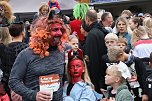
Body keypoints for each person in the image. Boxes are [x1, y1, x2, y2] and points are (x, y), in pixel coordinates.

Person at [9, 15, 67, 101]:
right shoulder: (26, 54)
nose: (59, 33)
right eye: (55, 30)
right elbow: (13, 81)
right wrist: (34, 95)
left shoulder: (61, 53)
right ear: (43, 32)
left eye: (61, 30)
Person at [84, 9, 107, 93]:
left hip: (97, 75)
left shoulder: (92, 34)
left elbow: (91, 58)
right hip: (104, 72)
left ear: (87, 19)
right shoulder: (102, 30)